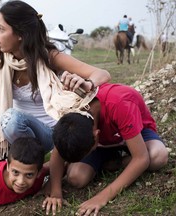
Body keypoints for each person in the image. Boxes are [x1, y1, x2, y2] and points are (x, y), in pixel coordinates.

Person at [0, 0, 111, 167]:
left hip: (47, 132)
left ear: (20, 35)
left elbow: (102, 74)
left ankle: (26, 163)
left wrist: (88, 83)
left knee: (11, 119)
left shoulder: (49, 57)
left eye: (1, 29)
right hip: (7, 128)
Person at [42, 83, 169, 216]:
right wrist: (56, 192)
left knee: (157, 156)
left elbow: (141, 158)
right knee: (76, 178)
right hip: (104, 143)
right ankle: (111, 161)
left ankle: (117, 162)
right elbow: (59, 150)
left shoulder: (119, 104)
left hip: (136, 134)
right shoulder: (70, 109)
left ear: (97, 135)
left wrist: (101, 197)